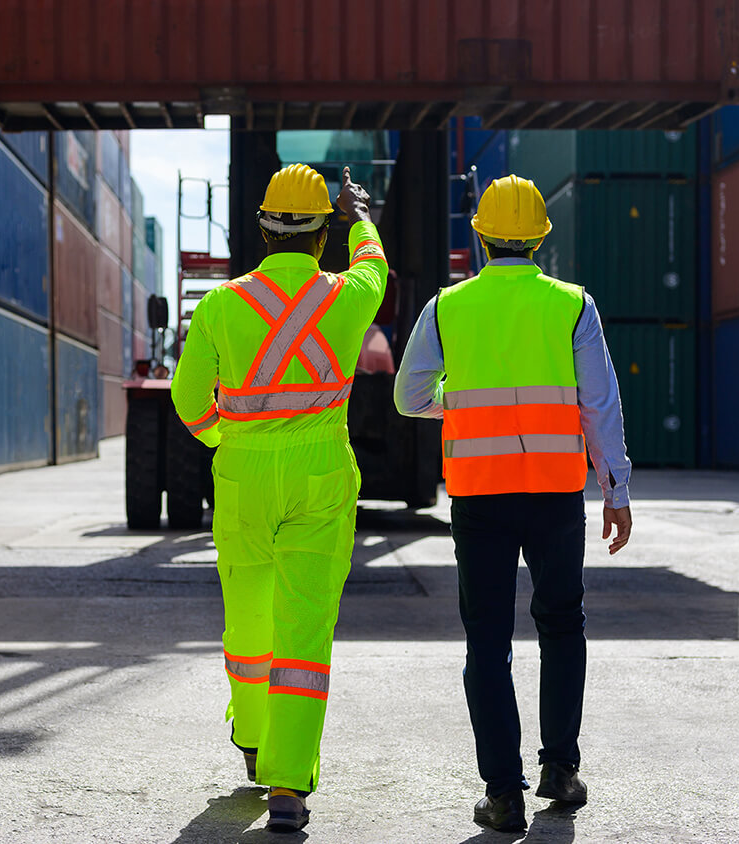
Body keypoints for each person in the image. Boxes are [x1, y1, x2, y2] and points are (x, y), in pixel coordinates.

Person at [393, 175, 632, 835]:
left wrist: (459, 404)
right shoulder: (572, 305)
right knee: (562, 625)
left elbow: (409, 397)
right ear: (540, 240)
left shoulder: (447, 307)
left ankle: (503, 796)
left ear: (480, 233)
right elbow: (600, 405)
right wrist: (617, 489)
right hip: (556, 493)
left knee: (488, 642)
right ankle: (560, 769)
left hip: (479, 497)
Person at [171, 164, 388, 832]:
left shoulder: (220, 305)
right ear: (321, 234)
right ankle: (288, 787)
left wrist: (225, 442)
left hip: (242, 475)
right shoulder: (350, 296)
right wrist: (361, 214)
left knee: (249, 622)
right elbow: (375, 265)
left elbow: (186, 398)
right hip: (320, 475)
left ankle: (254, 739)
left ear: (262, 228)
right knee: (303, 631)